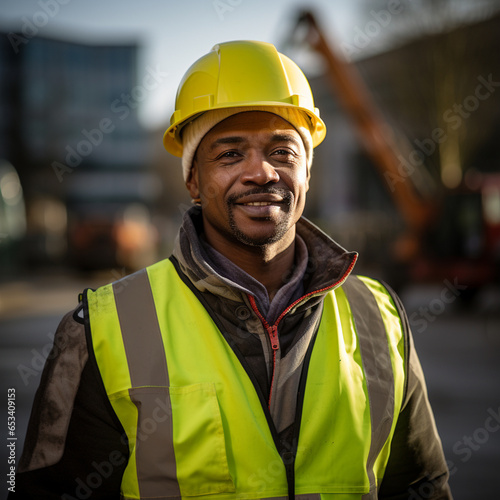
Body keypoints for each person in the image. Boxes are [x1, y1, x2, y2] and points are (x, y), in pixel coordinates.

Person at [12, 40, 452, 499]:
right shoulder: (103, 329)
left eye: (283, 151)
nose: (261, 172)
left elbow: (422, 485)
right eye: (229, 154)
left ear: (307, 172)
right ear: (193, 180)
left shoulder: (380, 315)